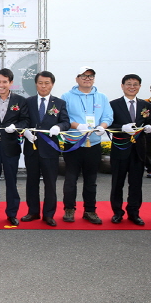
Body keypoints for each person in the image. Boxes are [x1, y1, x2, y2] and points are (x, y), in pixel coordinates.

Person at [61, 66, 113, 224]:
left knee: (91, 180)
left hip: (94, 144)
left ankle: (90, 210)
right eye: (83, 76)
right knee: (71, 179)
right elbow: (63, 118)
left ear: (94, 79)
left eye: (90, 76)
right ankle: (69, 209)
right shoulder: (67, 96)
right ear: (77, 79)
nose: (87, 79)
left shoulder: (101, 97)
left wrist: (102, 126)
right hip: (73, 144)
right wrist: (77, 126)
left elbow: (108, 116)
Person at [21, 71, 70, 226]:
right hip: (32, 148)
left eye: (47, 83)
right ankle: (33, 211)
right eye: (40, 83)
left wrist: (58, 127)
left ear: (52, 84)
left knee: (50, 183)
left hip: (50, 149)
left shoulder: (59, 103)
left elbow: (66, 122)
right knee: (31, 182)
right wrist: (25, 131)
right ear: (36, 84)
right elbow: (23, 120)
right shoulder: (28, 101)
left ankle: (49, 214)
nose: (43, 86)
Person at [0, 68, 29, 226]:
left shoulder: (20, 101)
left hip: (11, 147)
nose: (1, 85)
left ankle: (12, 213)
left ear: (11, 83)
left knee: (11, 181)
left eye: (5, 82)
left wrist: (15, 127)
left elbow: (25, 120)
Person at [108, 74, 151, 226]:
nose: (132, 87)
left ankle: (134, 212)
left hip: (138, 150)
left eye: (135, 84)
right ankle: (117, 212)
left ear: (140, 87)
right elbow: (108, 124)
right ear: (122, 86)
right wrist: (121, 128)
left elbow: (149, 122)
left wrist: (149, 127)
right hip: (120, 149)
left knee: (136, 184)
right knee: (117, 183)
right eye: (128, 84)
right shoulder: (113, 104)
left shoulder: (146, 105)